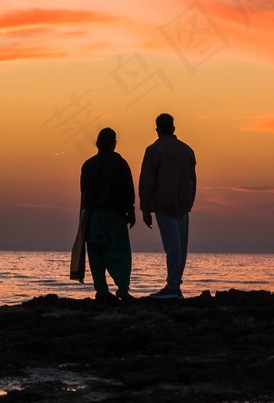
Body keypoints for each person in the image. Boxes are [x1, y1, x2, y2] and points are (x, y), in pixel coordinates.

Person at [138, 113, 196, 299]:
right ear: (173, 128)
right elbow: (192, 180)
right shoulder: (187, 150)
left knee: (173, 249)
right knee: (181, 249)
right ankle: (175, 286)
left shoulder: (154, 150)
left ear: (157, 130)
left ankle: (172, 287)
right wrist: (189, 201)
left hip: (164, 205)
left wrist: (145, 207)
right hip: (183, 205)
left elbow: (147, 180)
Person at [80, 127, 136, 302]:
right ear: (114, 144)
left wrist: (83, 219)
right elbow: (128, 191)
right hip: (114, 216)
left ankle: (101, 289)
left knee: (96, 255)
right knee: (119, 253)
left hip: (93, 217)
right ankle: (122, 289)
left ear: (97, 144)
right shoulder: (120, 163)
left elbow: (84, 193)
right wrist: (131, 212)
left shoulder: (88, 165)